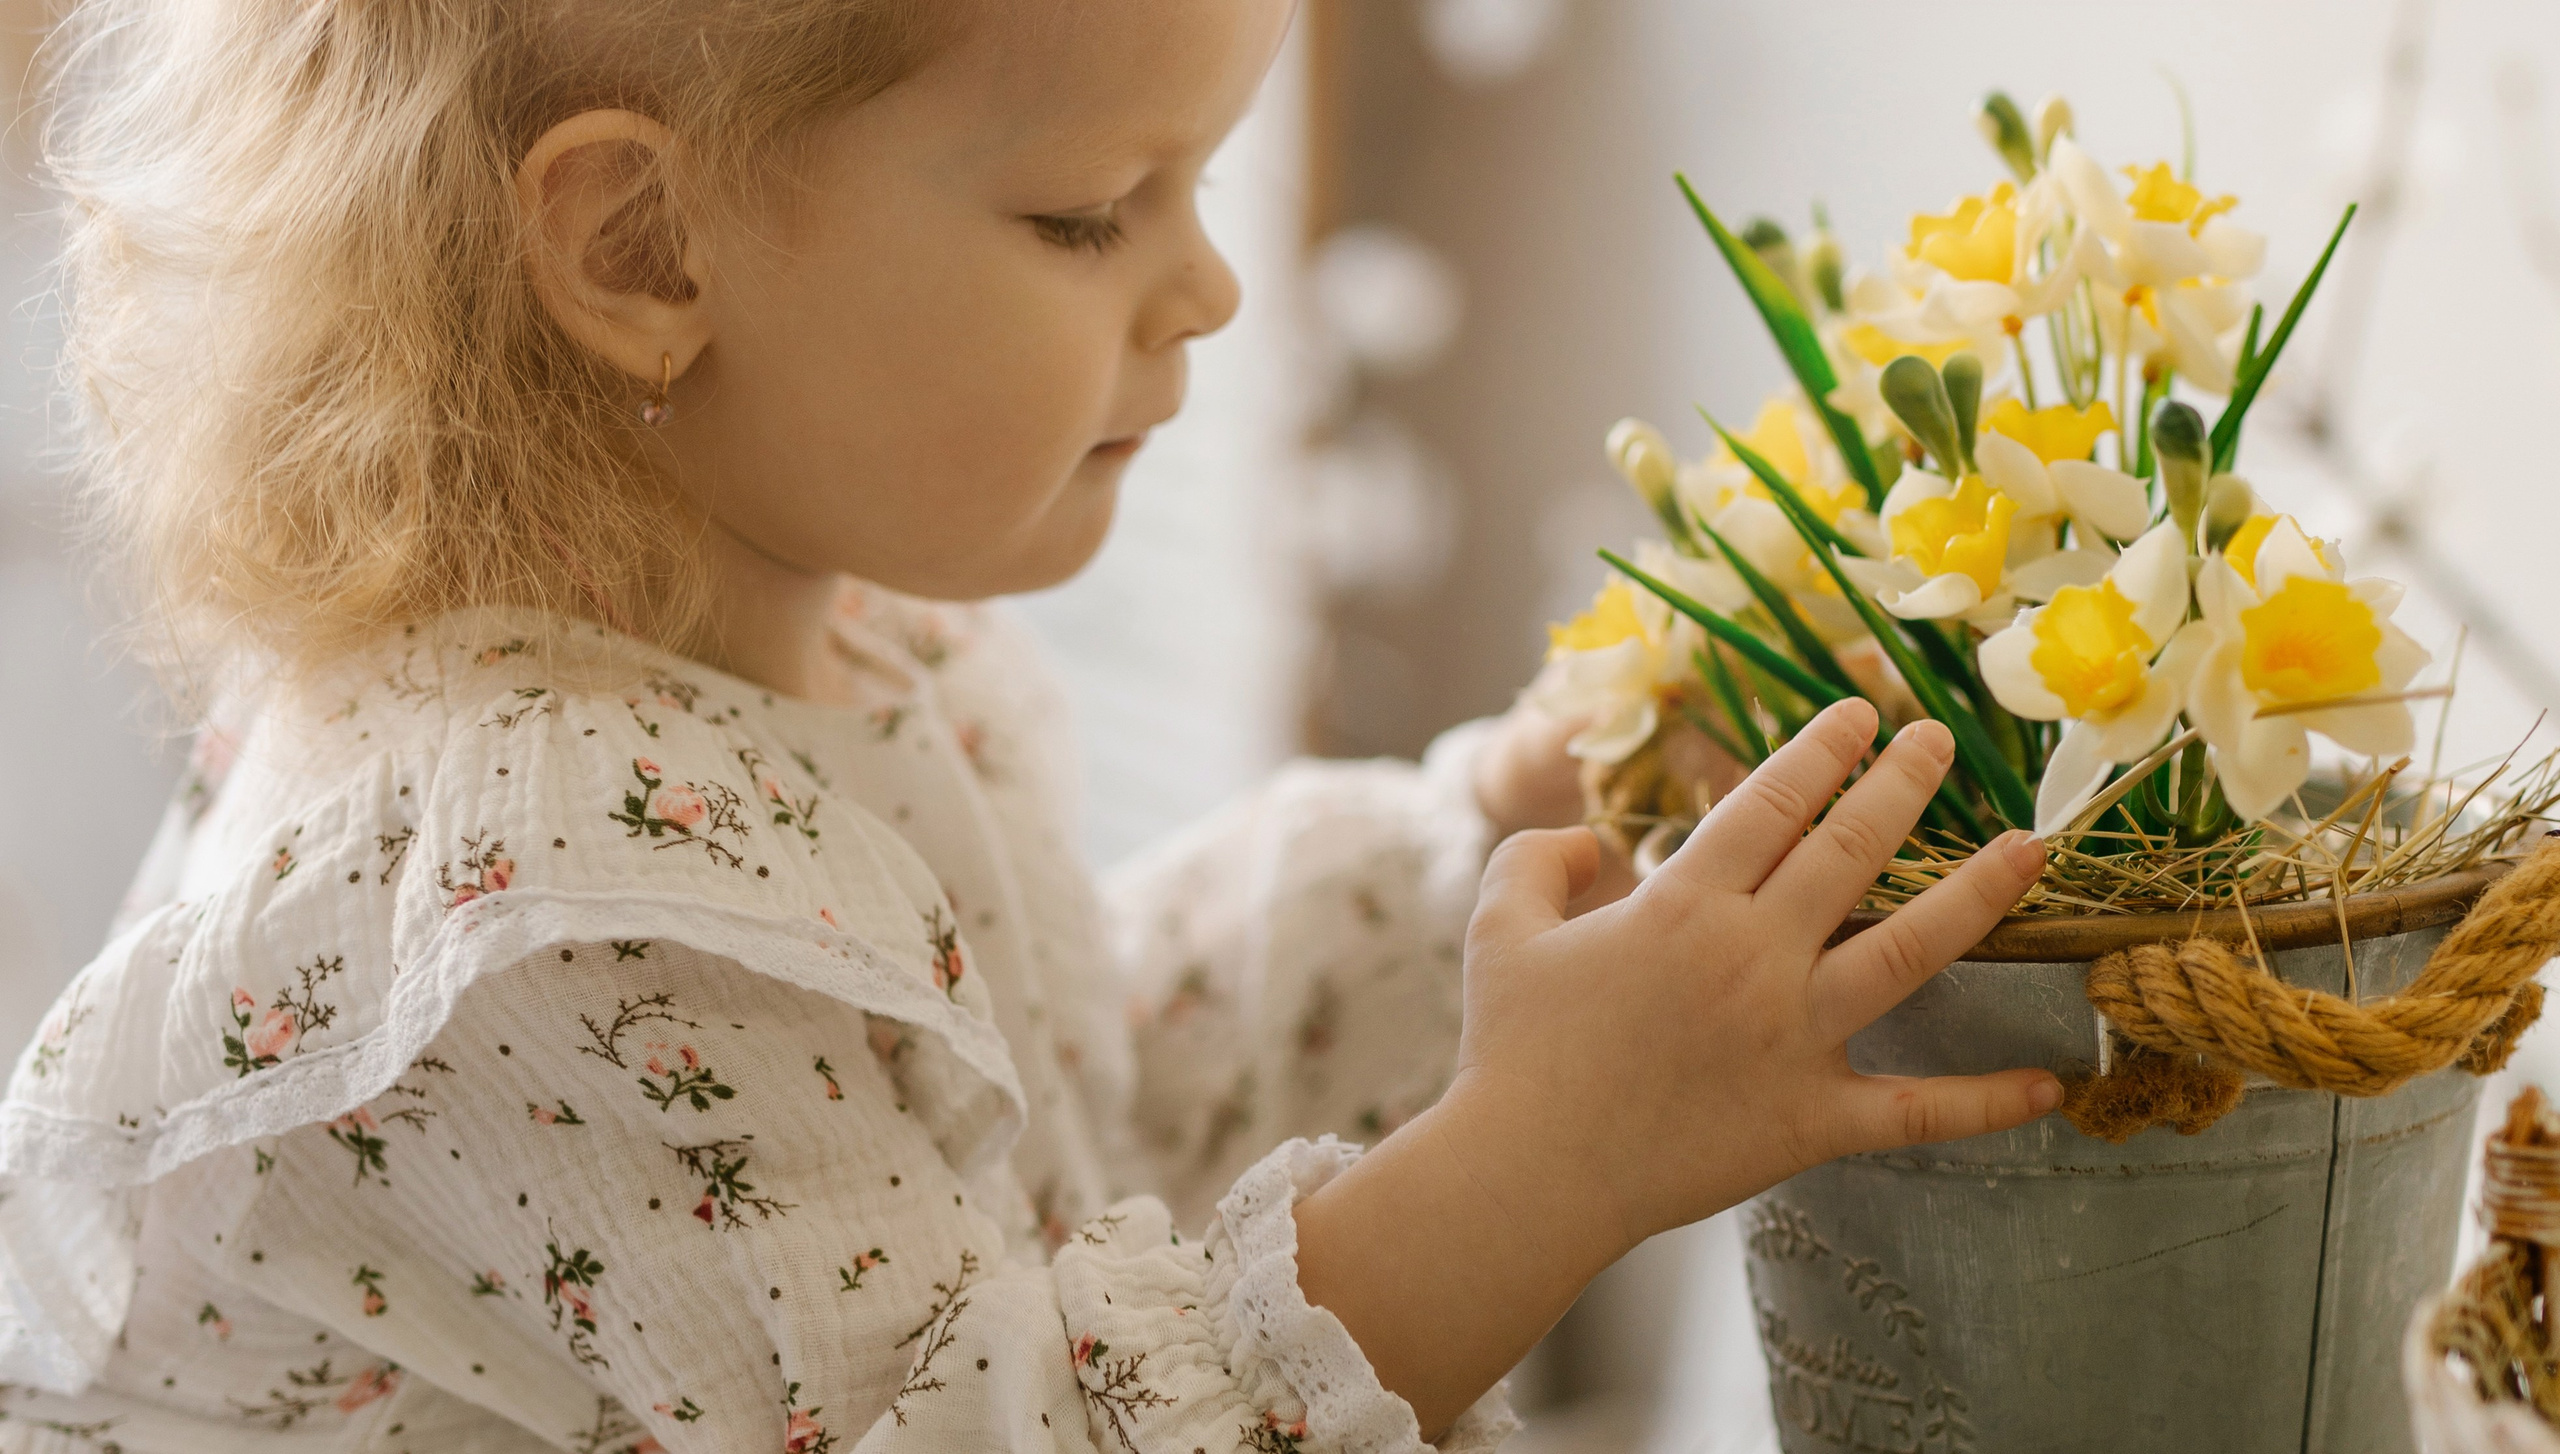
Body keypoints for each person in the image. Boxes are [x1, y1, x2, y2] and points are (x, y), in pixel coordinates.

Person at [0, 1, 2062, 1450]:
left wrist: (1473, 855)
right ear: (639, 247)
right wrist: (1539, 1166)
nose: (1205, 291)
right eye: (1092, 212)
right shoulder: (534, 904)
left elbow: (1035, 1105)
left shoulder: (812, 631)